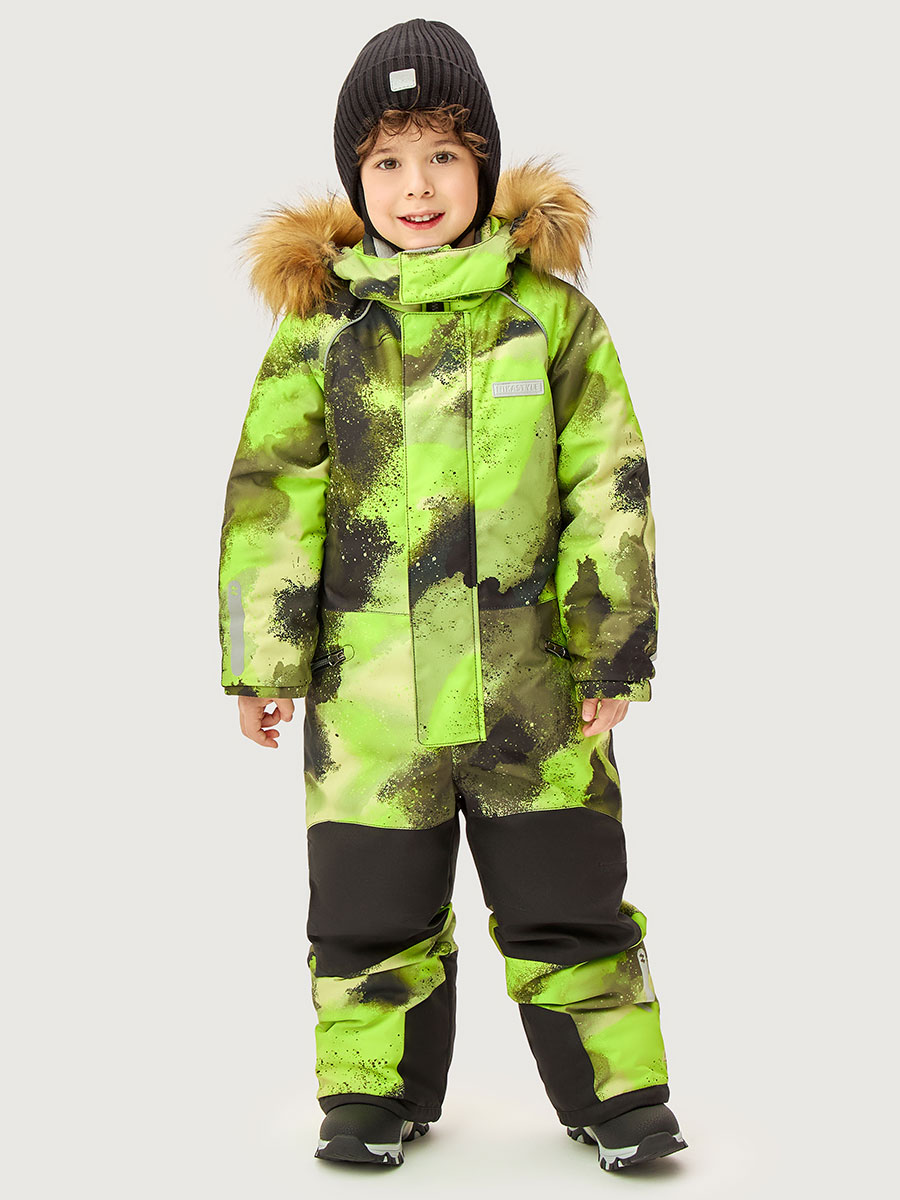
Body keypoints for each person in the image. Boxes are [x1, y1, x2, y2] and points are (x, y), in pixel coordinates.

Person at [217, 17, 688, 1173]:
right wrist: (262, 662)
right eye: (386, 161)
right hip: (370, 701)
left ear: (484, 165)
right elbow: (274, 496)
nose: (416, 187)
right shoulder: (319, 333)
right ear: (354, 178)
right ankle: (371, 1095)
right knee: (368, 911)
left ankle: (619, 1095)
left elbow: (609, 485)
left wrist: (612, 649)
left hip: (537, 693)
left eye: (443, 154)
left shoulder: (551, 321)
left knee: (570, 899)